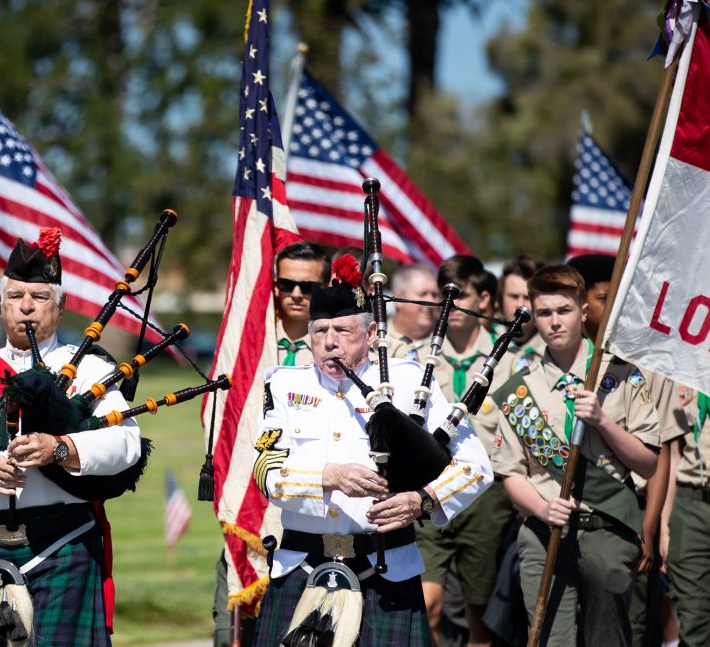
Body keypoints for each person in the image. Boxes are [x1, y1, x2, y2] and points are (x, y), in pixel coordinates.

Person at [0, 229, 141, 647]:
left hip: (62, 546)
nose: (27, 307)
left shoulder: (89, 369)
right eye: (16, 296)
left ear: (61, 306)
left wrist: (61, 449)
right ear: (1, 304)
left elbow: (126, 445)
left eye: (40, 296)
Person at [251, 276, 492, 647]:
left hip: (387, 571)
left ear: (371, 331)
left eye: (343, 329)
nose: (330, 341)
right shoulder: (284, 386)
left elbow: (475, 466)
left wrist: (422, 500)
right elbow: (266, 474)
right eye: (319, 331)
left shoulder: (410, 382)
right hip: (301, 566)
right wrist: (327, 477)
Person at [491, 264, 659, 647]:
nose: (554, 322)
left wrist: (603, 420)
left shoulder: (621, 375)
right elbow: (511, 472)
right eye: (544, 313)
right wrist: (541, 507)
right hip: (543, 529)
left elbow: (648, 462)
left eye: (563, 311)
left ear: (583, 311)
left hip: (608, 526)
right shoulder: (522, 388)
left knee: (608, 639)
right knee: (550, 639)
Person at [212, 241, 331, 647]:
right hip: (252, 504)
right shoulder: (250, 345)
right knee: (229, 632)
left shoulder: (333, 350)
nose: (296, 294)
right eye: (286, 283)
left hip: (311, 510)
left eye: (309, 286)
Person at [567, 253, 687, 647]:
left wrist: (649, 528)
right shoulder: (556, 361)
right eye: (603, 298)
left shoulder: (647, 364)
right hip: (567, 514)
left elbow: (662, 453)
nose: (613, 307)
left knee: (626, 627)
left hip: (626, 513)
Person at [415, 254, 510, 647]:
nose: (451, 305)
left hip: (485, 497)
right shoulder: (416, 358)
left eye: (462, 295)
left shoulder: (510, 361)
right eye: (444, 296)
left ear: (485, 299)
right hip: (430, 489)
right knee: (428, 605)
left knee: (480, 617)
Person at [664, 384, 710, 647]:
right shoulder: (688, 368)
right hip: (692, 505)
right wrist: (664, 524)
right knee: (695, 622)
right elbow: (673, 454)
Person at [499, 254, 546, 375]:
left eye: (527, 297)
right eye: (513, 296)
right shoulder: (482, 344)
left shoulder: (554, 352)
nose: (520, 304)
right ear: (501, 297)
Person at [388, 264, 440, 361]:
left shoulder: (451, 346)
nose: (431, 301)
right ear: (399, 298)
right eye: (422, 294)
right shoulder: (372, 340)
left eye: (434, 295)